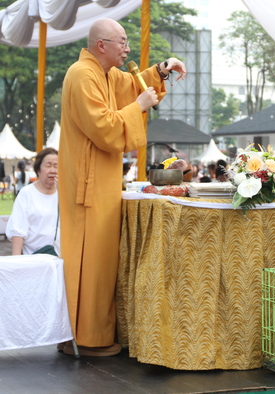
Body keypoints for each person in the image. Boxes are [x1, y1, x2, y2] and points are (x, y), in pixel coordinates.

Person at [59, 18, 186, 357]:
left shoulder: (103, 74)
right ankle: (83, 339)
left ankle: (90, 335)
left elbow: (131, 85)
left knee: (102, 261)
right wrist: (140, 107)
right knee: (90, 262)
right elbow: (103, 126)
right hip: (86, 187)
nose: (127, 49)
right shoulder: (81, 74)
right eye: (122, 42)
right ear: (102, 45)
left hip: (101, 181)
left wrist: (161, 69)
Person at [7, 148, 59, 255]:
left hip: (62, 260)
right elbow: (18, 229)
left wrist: (64, 194)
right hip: (34, 259)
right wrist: (16, 260)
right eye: (48, 165)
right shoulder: (27, 193)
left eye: (56, 166)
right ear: (38, 169)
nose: (53, 170)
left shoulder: (65, 194)